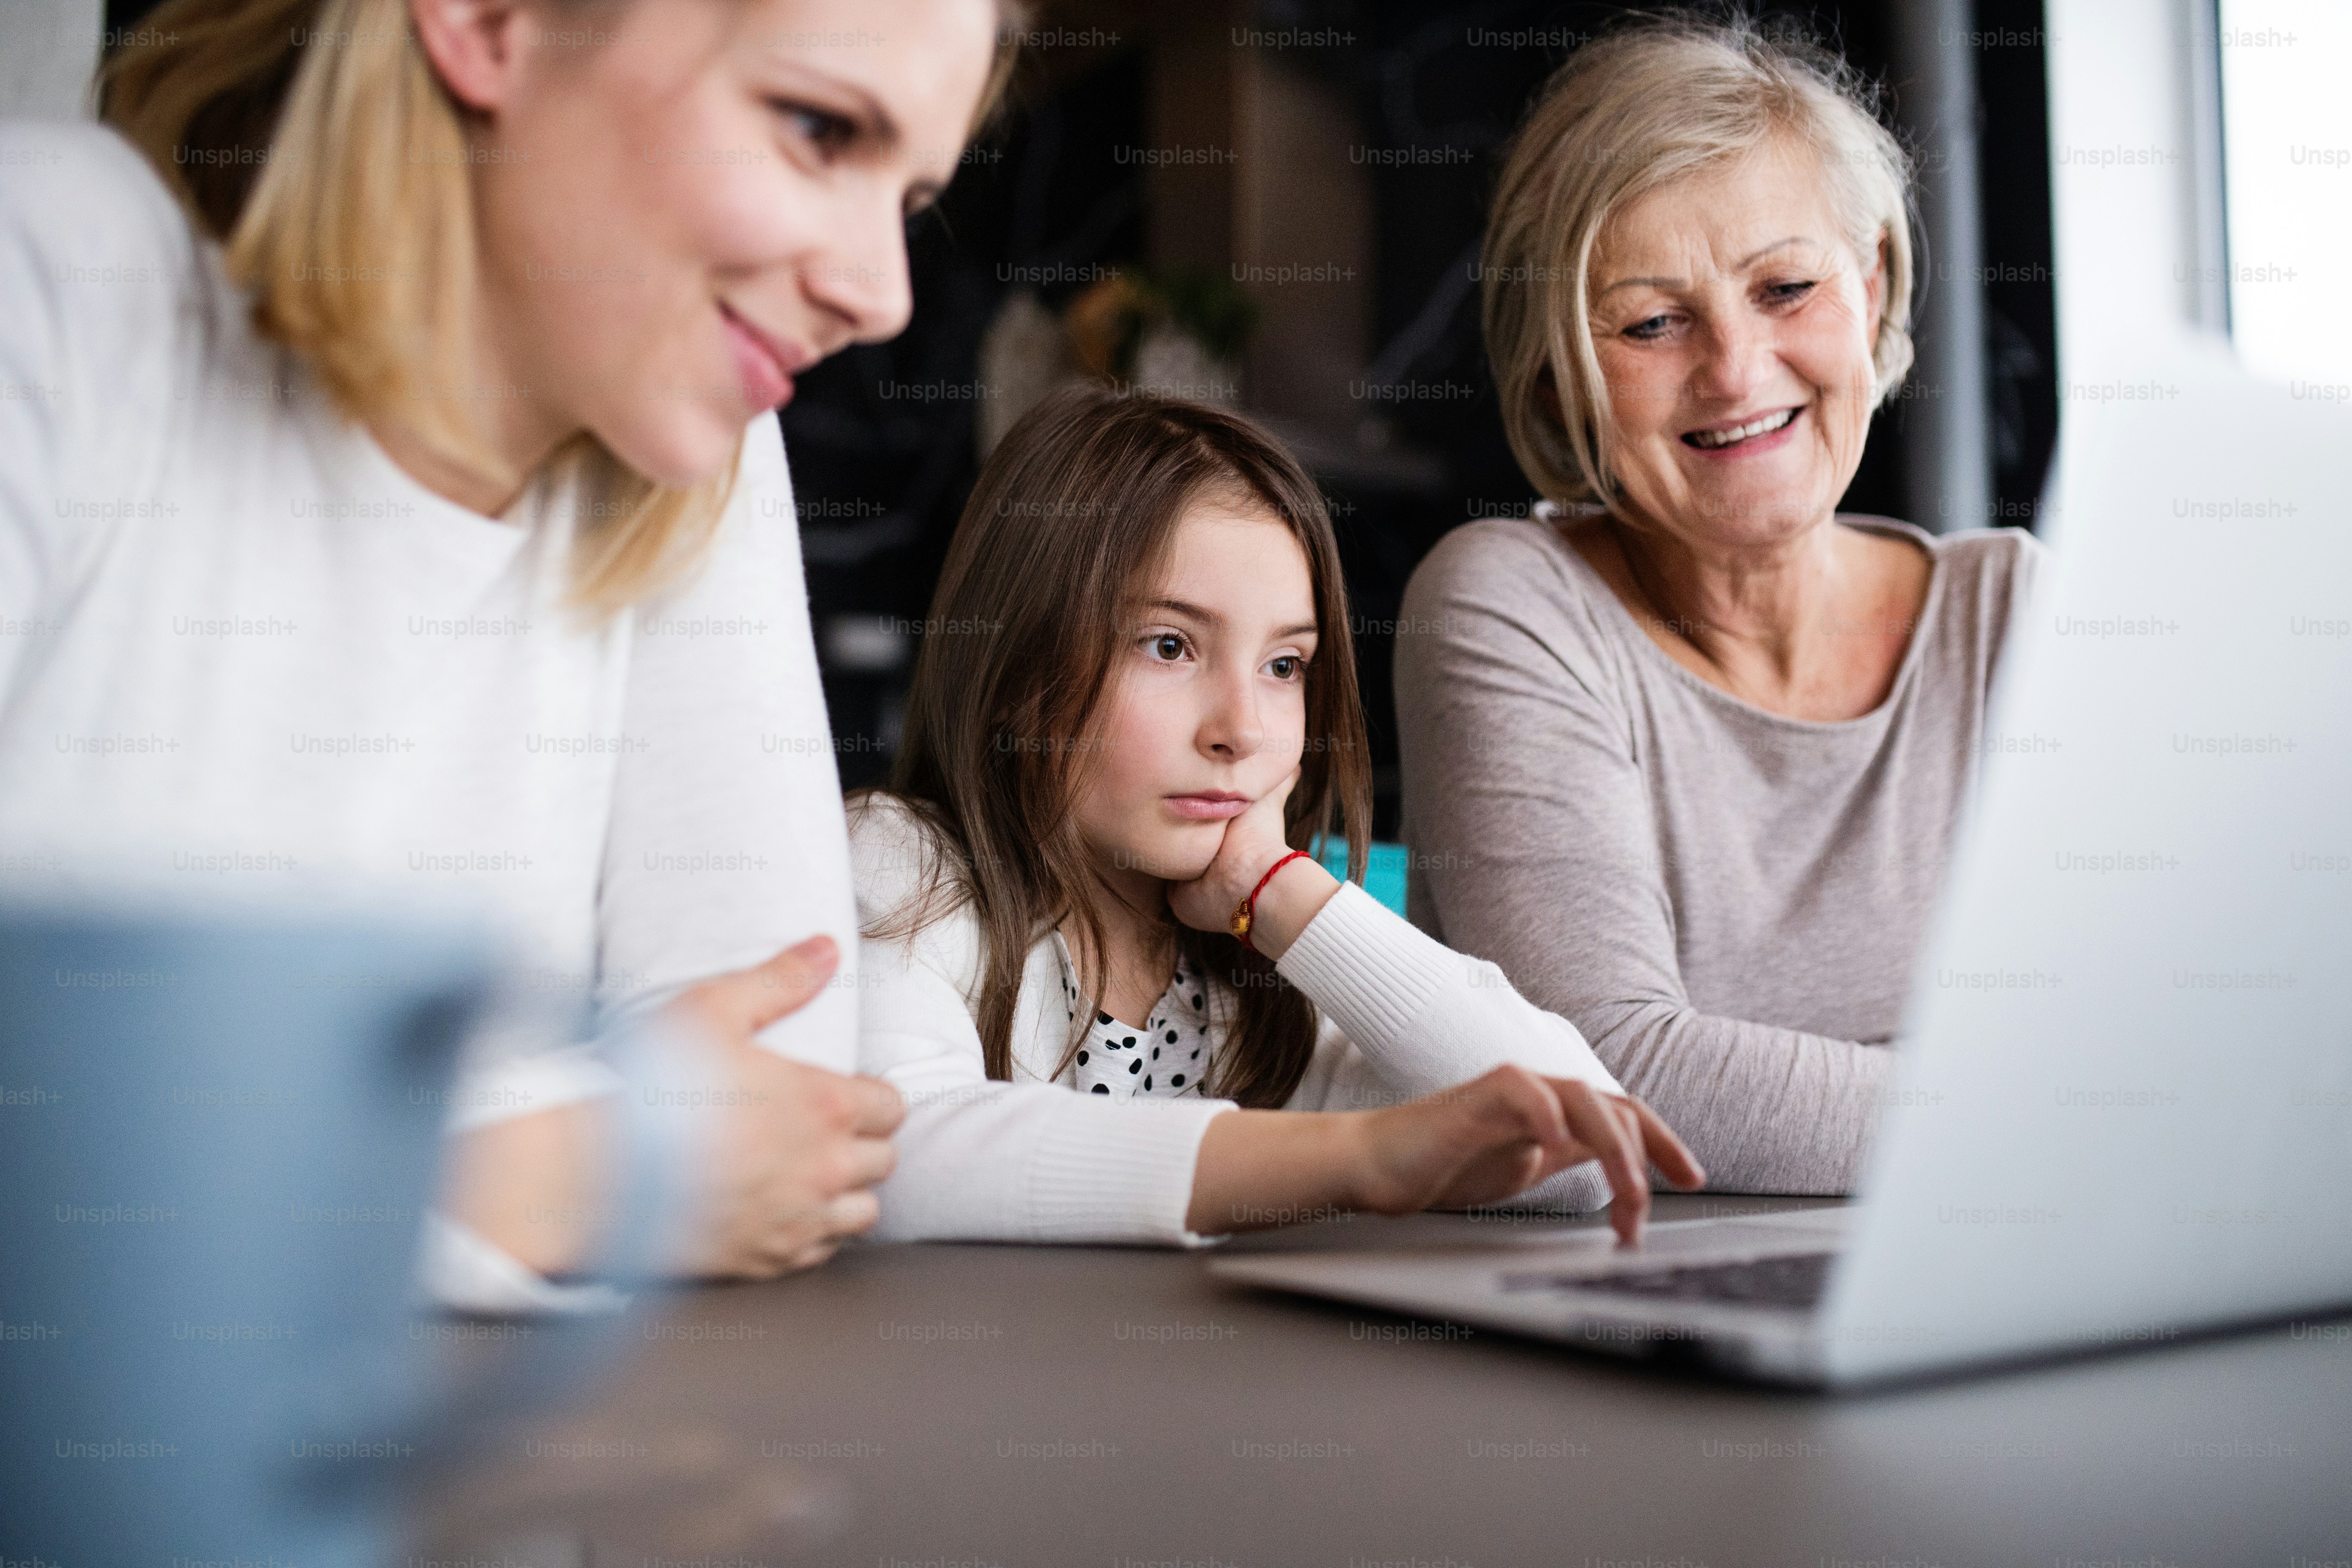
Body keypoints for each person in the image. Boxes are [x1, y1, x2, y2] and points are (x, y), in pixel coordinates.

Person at [0, 0, 1011, 1301]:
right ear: (489, 26)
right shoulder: (56, 270)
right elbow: (657, 1156)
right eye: (819, 129)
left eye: (912, 194)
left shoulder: (676, 440)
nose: (881, 297)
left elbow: (777, 1114)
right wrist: (523, 1171)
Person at [1393, 16, 2044, 1194]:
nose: (1737, 372)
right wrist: (2026, 1112)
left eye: (1787, 288)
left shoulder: (2022, 618)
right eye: (1651, 322)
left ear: (1874, 283)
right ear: (1557, 372)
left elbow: (2159, 1047)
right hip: (1627, 1345)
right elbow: (1605, 1074)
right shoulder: (1509, 607)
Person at [848, 385, 1702, 1247]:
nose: (1244, 728)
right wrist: (1357, 1153)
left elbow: (1580, 1157)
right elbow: (894, 1152)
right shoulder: (899, 864)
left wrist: (1283, 894)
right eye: (1171, 646)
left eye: (1286, 664)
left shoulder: (1267, 961)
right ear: (1019, 671)